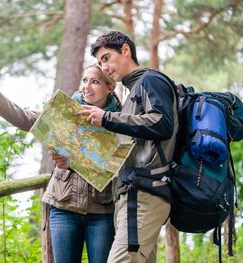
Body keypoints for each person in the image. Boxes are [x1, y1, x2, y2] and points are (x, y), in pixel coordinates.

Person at [0, 64, 122, 263]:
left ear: (110, 87)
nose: (86, 87)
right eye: (84, 80)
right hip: (63, 205)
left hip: (103, 210)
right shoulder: (66, 110)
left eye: (95, 82)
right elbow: (26, 118)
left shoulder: (120, 119)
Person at [74, 31, 179, 262]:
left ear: (125, 50)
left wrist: (108, 118)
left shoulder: (151, 80)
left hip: (143, 196)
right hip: (131, 197)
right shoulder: (133, 92)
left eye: (106, 58)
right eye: (100, 62)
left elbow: (162, 123)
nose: (104, 67)